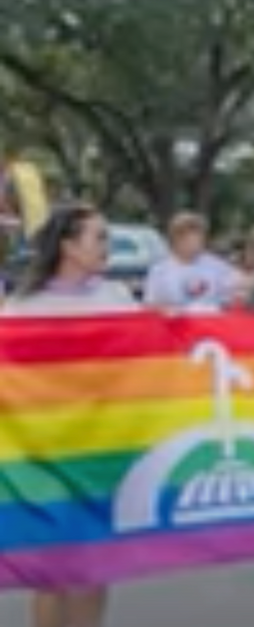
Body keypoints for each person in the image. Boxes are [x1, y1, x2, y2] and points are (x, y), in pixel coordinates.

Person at [4, 203, 140, 627]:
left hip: (102, 451)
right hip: (45, 456)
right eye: (98, 237)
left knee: (94, 570)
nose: (107, 246)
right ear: (68, 246)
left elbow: (147, 358)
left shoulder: (116, 299)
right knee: (53, 572)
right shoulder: (22, 310)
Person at [143, 212, 248, 313]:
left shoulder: (216, 266)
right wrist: (170, 311)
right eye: (190, 240)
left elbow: (241, 285)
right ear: (176, 240)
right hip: (175, 326)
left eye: (200, 239)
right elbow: (150, 305)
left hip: (208, 326)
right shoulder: (160, 271)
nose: (196, 245)